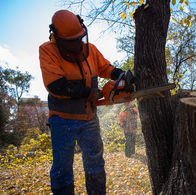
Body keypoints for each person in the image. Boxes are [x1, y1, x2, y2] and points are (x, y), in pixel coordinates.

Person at [39, 10, 133, 195]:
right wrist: (87, 93)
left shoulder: (90, 50)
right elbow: (55, 85)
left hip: (89, 117)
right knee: (62, 168)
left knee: (95, 162)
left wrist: (120, 75)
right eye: (72, 40)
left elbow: (105, 68)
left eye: (79, 38)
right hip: (62, 119)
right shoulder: (47, 50)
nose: (77, 43)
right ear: (58, 38)